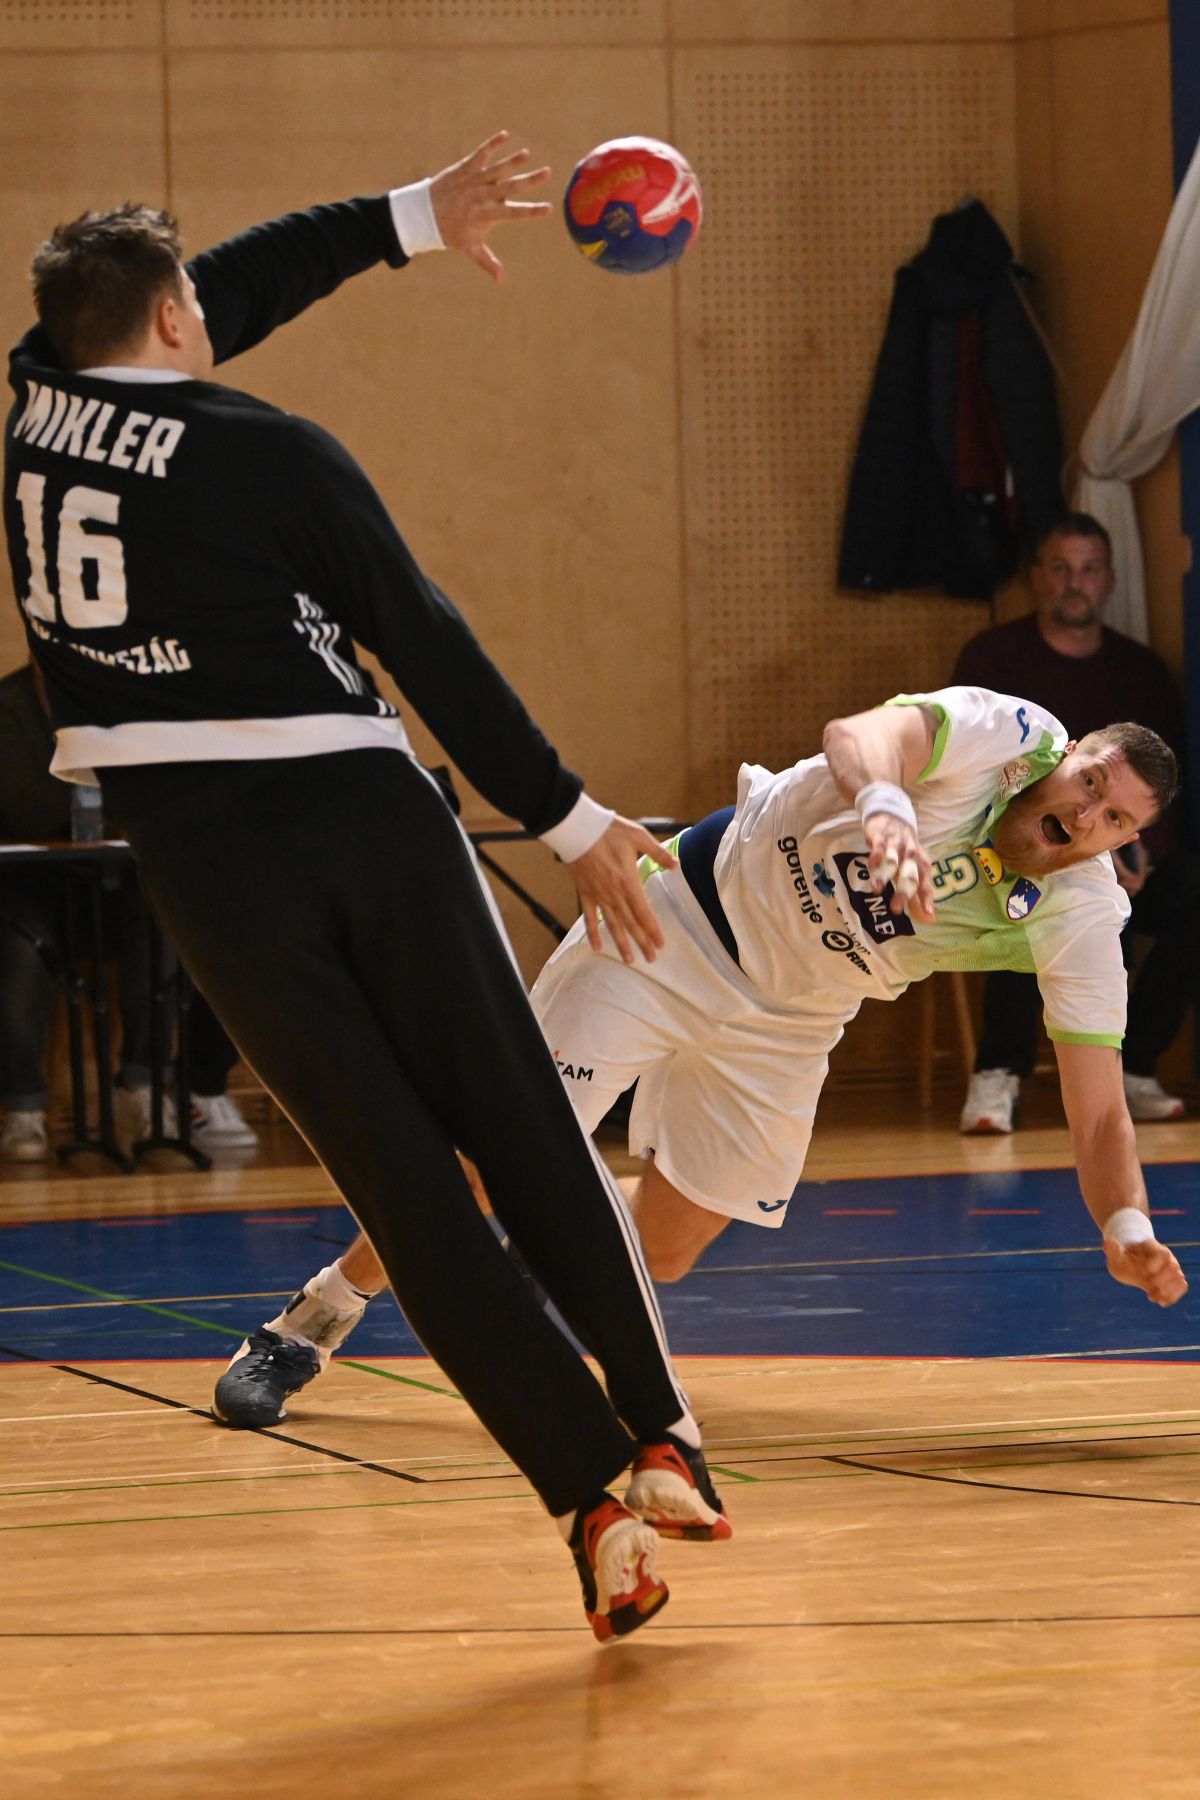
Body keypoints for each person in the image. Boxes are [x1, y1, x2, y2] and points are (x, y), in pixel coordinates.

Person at [3, 132, 732, 1643]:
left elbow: (204, 295)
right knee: (521, 1125)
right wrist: (570, 817)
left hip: (198, 863)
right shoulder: (270, 452)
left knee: (404, 1190)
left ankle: (588, 1504)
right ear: (175, 320)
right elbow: (427, 637)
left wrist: (407, 219)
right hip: (355, 817)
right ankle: (660, 1435)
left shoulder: (37, 408)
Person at [221, 684, 1188, 1411]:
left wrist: (1125, 1226)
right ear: (1067, 756)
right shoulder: (1005, 733)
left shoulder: (1081, 911)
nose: (1088, 815)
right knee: (492, 1158)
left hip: (793, 1015)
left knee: (669, 1249)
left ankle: (544, 1232)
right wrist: (888, 806)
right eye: (1091, 783)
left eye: (1117, 819)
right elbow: (859, 738)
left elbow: (1099, 1108)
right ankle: (312, 1322)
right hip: (676, 924)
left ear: (1124, 842)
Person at [954, 513, 1196, 1133]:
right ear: (1037, 576)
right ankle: (998, 1072)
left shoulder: (1142, 671)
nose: (1074, 583)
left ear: (1109, 579)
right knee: (1021, 889)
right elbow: (968, 768)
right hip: (1014, 838)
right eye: (1060, 568)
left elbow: (1166, 792)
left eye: (1088, 570)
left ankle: (1135, 1066)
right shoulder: (993, 656)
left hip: (1119, 848)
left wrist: (1139, 855)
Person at [0, 661, 242, 1159]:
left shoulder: (132, 695)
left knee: (167, 923)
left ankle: (145, 1086)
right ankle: (24, 1109)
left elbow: (171, 794)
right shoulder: (9, 709)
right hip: (34, 889)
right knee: (20, 949)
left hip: (124, 884)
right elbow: (22, 807)